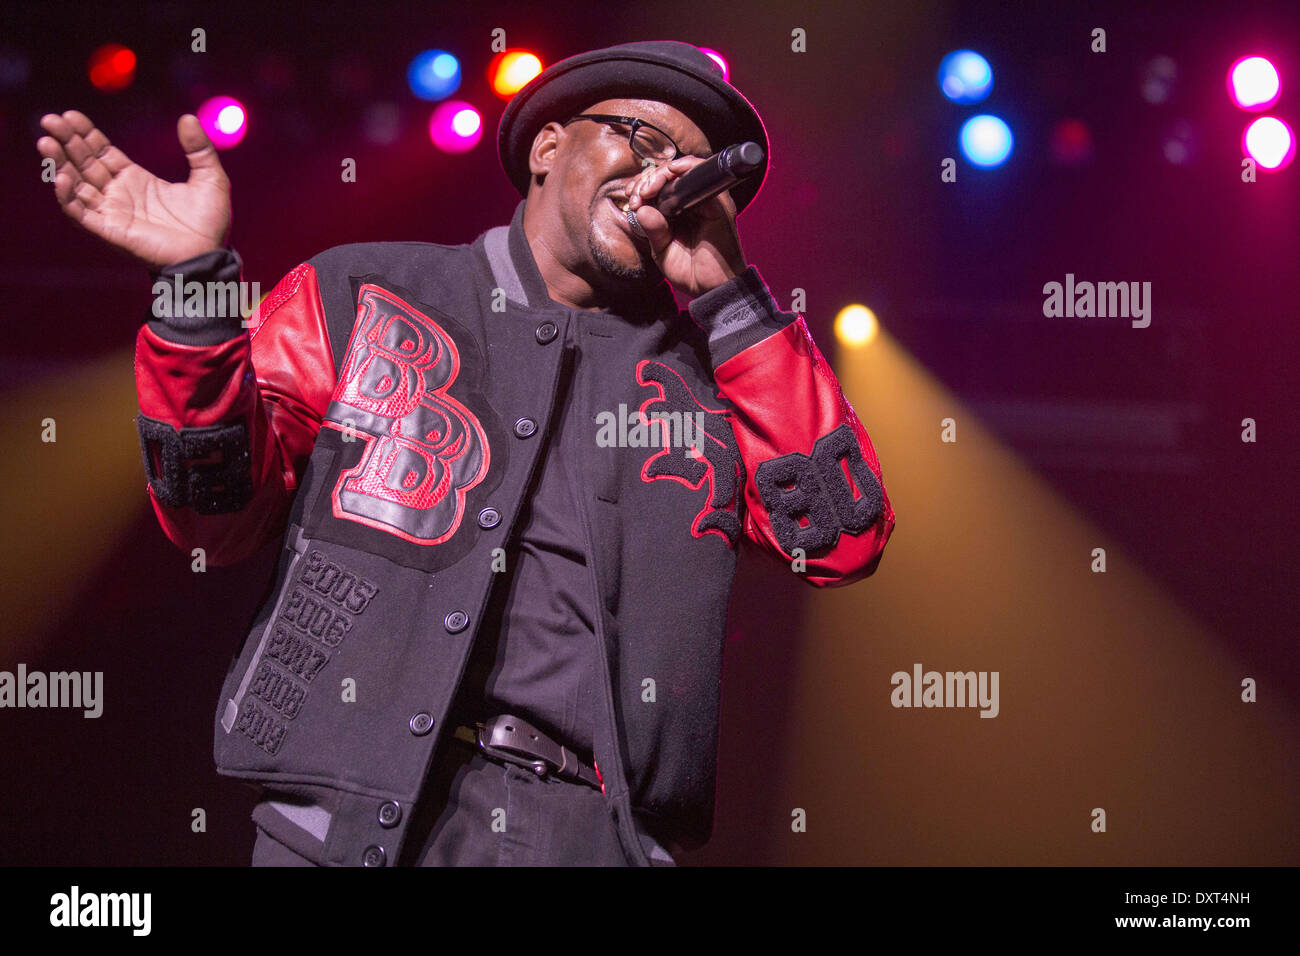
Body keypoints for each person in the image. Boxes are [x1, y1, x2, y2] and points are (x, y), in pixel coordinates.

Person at [37, 40, 896, 866]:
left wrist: (731, 299)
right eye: (642, 138)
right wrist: (196, 286)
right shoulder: (365, 288)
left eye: (697, 168)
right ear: (548, 147)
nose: (666, 175)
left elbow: (841, 539)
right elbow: (210, 522)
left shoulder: (714, 381)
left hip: (596, 837)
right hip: (349, 824)